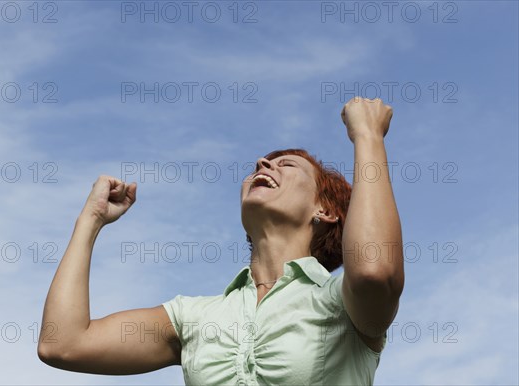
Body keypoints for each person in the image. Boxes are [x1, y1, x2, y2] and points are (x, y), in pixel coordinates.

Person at [37, 97, 404, 385]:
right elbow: (63, 344)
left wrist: (368, 136)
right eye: (260, 166)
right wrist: (90, 220)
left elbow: (374, 270)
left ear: (324, 211)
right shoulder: (193, 317)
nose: (263, 164)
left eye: (287, 166)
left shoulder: (343, 304)